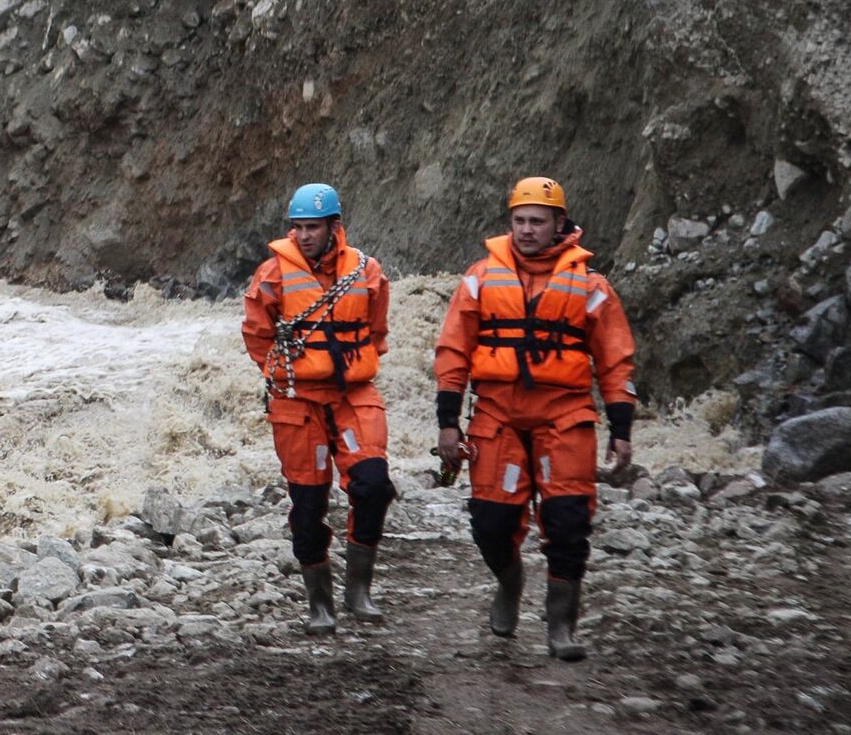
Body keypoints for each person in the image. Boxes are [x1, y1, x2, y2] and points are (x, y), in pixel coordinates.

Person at [432, 177, 636, 661]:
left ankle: (561, 623)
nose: (526, 230)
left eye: (537, 221)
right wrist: (447, 422)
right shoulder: (480, 278)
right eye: (519, 221)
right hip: (497, 417)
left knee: (568, 524)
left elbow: (615, 361)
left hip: (564, 418)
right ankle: (509, 581)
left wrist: (622, 429)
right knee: (490, 524)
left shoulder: (590, 285)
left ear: (559, 224)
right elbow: (453, 352)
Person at [242, 182, 395, 636]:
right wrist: (283, 371)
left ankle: (358, 591)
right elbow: (256, 334)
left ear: (334, 227)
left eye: (313, 228)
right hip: (297, 401)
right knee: (307, 507)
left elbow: (378, 329)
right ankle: (320, 605)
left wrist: (351, 365)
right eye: (298, 228)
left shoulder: (366, 271)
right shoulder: (272, 275)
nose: (304, 236)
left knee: (373, 485)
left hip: (353, 394)